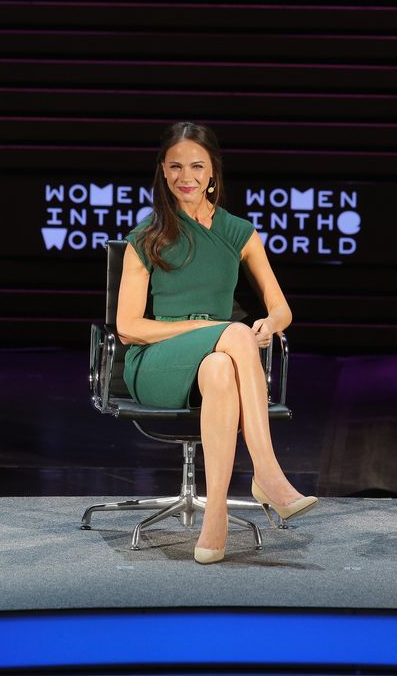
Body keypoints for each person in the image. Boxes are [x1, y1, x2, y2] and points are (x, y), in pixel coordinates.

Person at [118, 122, 317, 565]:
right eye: (175, 167)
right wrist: (205, 329)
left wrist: (270, 323)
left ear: (213, 173)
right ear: (162, 172)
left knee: (221, 368)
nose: (185, 176)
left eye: (196, 166)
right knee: (234, 335)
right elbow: (128, 326)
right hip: (155, 363)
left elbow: (282, 308)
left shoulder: (238, 232)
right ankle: (266, 471)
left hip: (216, 357)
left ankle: (216, 519)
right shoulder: (146, 237)